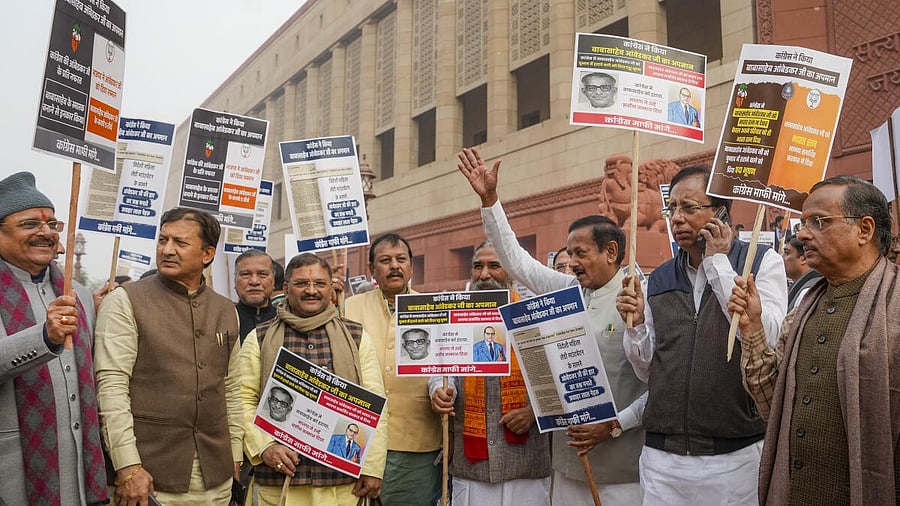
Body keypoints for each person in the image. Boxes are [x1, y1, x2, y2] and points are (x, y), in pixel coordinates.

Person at [458, 148, 646, 505]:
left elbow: (657, 384)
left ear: (610, 252)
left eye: (580, 253)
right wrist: (490, 201)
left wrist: (614, 424)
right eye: (569, 253)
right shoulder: (568, 291)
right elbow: (517, 261)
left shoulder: (639, 300)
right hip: (567, 465)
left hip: (621, 471)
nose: (571, 263)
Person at [615, 166, 787, 505]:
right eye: (672, 208)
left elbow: (767, 339)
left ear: (721, 213)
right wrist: (635, 325)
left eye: (689, 208)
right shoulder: (660, 278)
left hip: (734, 455)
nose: (677, 218)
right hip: (663, 460)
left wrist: (718, 264)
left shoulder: (761, 262)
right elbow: (648, 370)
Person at [728, 176, 900, 505]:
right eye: (804, 223)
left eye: (819, 222)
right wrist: (751, 329)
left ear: (864, 229)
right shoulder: (803, 309)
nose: (803, 234)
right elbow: (771, 404)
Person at [94, 207, 243, 506]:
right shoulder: (125, 301)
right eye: (163, 240)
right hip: (148, 479)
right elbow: (111, 388)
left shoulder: (226, 309)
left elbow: (231, 388)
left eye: (180, 243)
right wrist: (127, 466)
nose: (167, 250)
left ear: (207, 254)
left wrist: (235, 455)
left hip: (217, 477)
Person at [240, 253, 386, 505]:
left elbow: (376, 404)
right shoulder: (259, 337)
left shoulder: (356, 336)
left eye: (319, 283)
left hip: (341, 484)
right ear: (286, 288)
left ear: (331, 288)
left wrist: (373, 467)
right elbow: (242, 399)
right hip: (279, 482)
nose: (311, 290)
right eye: (301, 284)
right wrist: (264, 447)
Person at [0, 172, 107, 506]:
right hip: (15, 471)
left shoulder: (79, 295)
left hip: (80, 469)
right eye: (30, 224)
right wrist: (44, 338)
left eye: (52, 224)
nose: (45, 232)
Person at [430, 240, 551, 506]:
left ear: (512, 271)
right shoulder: (453, 317)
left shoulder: (533, 318)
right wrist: (439, 390)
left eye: (494, 266)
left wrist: (533, 412)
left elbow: (554, 381)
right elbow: (440, 369)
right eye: (478, 267)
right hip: (472, 466)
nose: (484, 274)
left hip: (525, 463)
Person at [344, 233, 442, 506]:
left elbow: (444, 367)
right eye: (385, 260)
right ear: (372, 269)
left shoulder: (433, 309)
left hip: (416, 442)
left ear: (411, 266)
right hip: (359, 438)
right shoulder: (349, 307)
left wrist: (444, 392)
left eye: (401, 259)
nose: (395, 266)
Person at [234, 249, 278, 344]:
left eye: (262, 274)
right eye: (246, 274)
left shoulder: (286, 320)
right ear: (235, 281)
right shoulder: (222, 320)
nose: (254, 281)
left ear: (273, 281)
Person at [781, 235, 822, 310]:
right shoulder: (805, 285)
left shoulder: (808, 291)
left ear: (804, 258)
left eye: (787, 253)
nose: (782, 258)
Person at [597, 154, 633, 228]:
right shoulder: (611, 183)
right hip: (620, 208)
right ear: (620, 164)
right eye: (630, 165)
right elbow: (624, 197)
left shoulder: (625, 181)